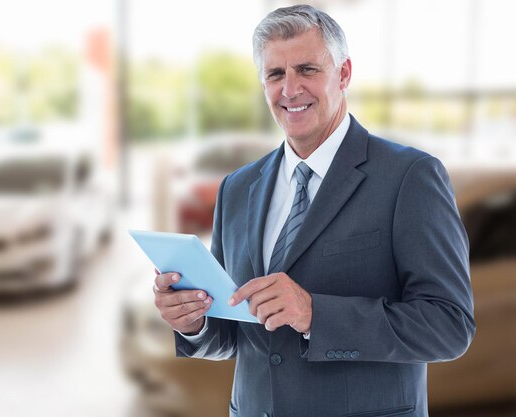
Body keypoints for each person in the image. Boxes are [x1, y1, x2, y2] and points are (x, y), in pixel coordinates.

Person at [152, 4, 475, 417]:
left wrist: (314, 314)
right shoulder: (238, 188)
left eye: (307, 69)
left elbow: (449, 326)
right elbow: (236, 334)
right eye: (275, 74)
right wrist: (192, 320)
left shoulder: (409, 176)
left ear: (343, 74)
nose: (290, 89)